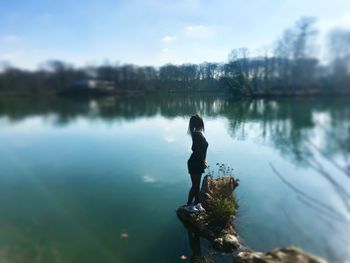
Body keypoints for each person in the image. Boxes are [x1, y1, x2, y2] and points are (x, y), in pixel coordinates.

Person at [185, 114, 209, 213]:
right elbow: (195, 149)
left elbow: (201, 150)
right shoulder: (196, 134)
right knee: (195, 185)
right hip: (195, 162)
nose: (203, 124)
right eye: (201, 122)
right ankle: (189, 205)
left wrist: (204, 160)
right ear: (199, 123)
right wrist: (203, 161)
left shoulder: (198, 133)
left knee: (197, 185)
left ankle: (198, 204)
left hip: (197, 162)